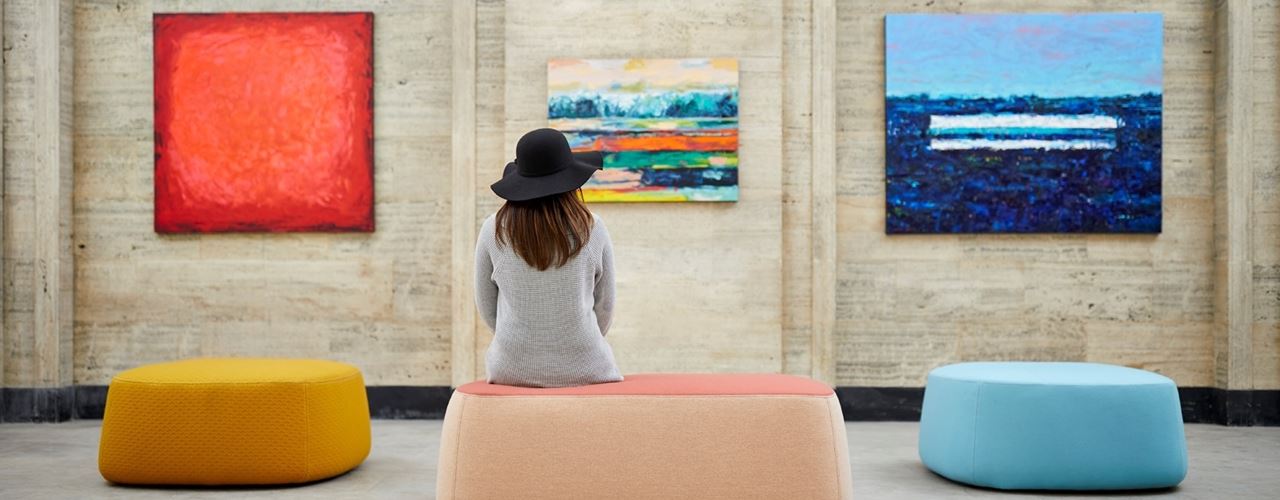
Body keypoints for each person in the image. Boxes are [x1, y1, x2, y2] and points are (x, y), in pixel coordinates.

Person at [474, 128, 623, 388]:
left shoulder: (493, 229)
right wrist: (573, 344)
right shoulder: (592, 227)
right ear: (570, 179)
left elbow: (486, 305)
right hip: (587, 367)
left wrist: (526, 347)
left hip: (510, 369)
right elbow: (605, 306)